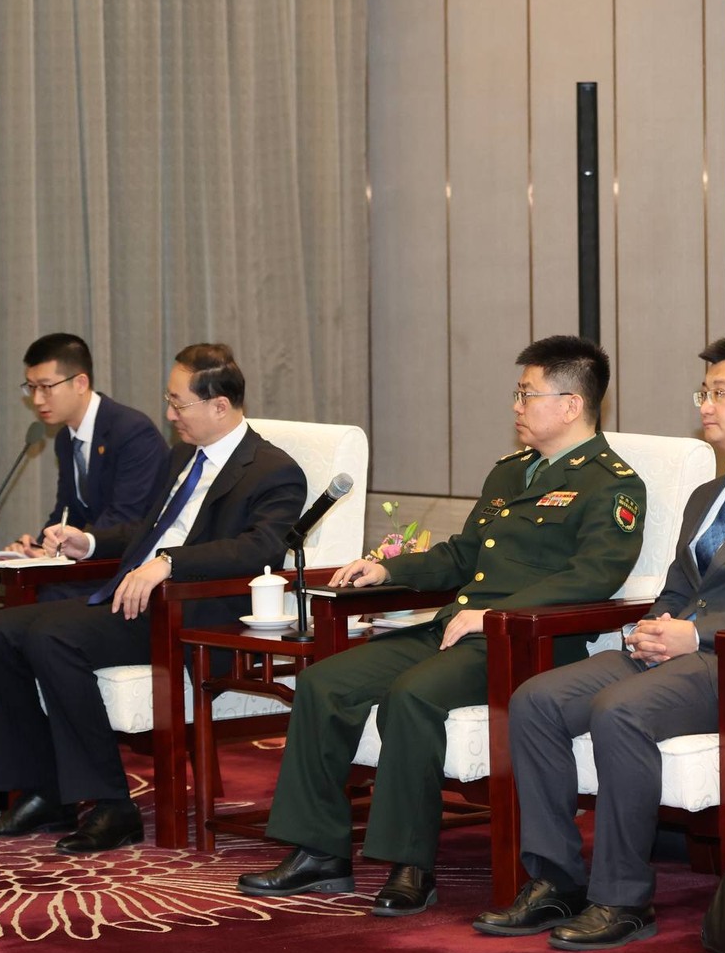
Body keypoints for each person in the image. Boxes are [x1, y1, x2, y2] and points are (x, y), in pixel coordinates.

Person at [236, 337, 646, 912]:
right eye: (517, 393)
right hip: (459, 628)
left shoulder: (612, 483)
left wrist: (495, 615)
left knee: (412, 695)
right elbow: (463, 554)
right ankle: (319, 854)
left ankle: (410, 866)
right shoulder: (511, 473)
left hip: (525, 643)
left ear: (572, 404)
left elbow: (595, 576)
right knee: (324, 683)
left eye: (527, 394)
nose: (516, 406)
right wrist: (389, 569)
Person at [482, 333, 725, 951]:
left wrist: (695, 633)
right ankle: (554, 881)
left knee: (619, 710)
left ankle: (622, 899)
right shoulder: (709, 495)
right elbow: (680, 588)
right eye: (703, 393)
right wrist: (653, 628)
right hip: (680, 652)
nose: (705, 405)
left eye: (720, 393)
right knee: (537, 700)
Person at [0, 343, 307, 853]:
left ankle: (112, 805)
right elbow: (148, 530)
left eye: (178, 403)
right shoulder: (182, 457)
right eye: (168, 401)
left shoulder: (272, 469)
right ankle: (44, 792)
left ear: (219, 405)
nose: (169, 415)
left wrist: (170, 562)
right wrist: (90, 542)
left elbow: (260, 547)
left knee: (53, 636)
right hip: (137, 599)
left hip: (192, 613)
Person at [9, 333, 172, 558]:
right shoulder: (65, 439)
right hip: (97, 556)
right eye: (32, 387)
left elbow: (126, 516)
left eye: (45, 387)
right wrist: (37, 546)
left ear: (80, 383)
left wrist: (67, 548)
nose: (37, 400)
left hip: (137, 561)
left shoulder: (132, 431)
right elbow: (67, 513)